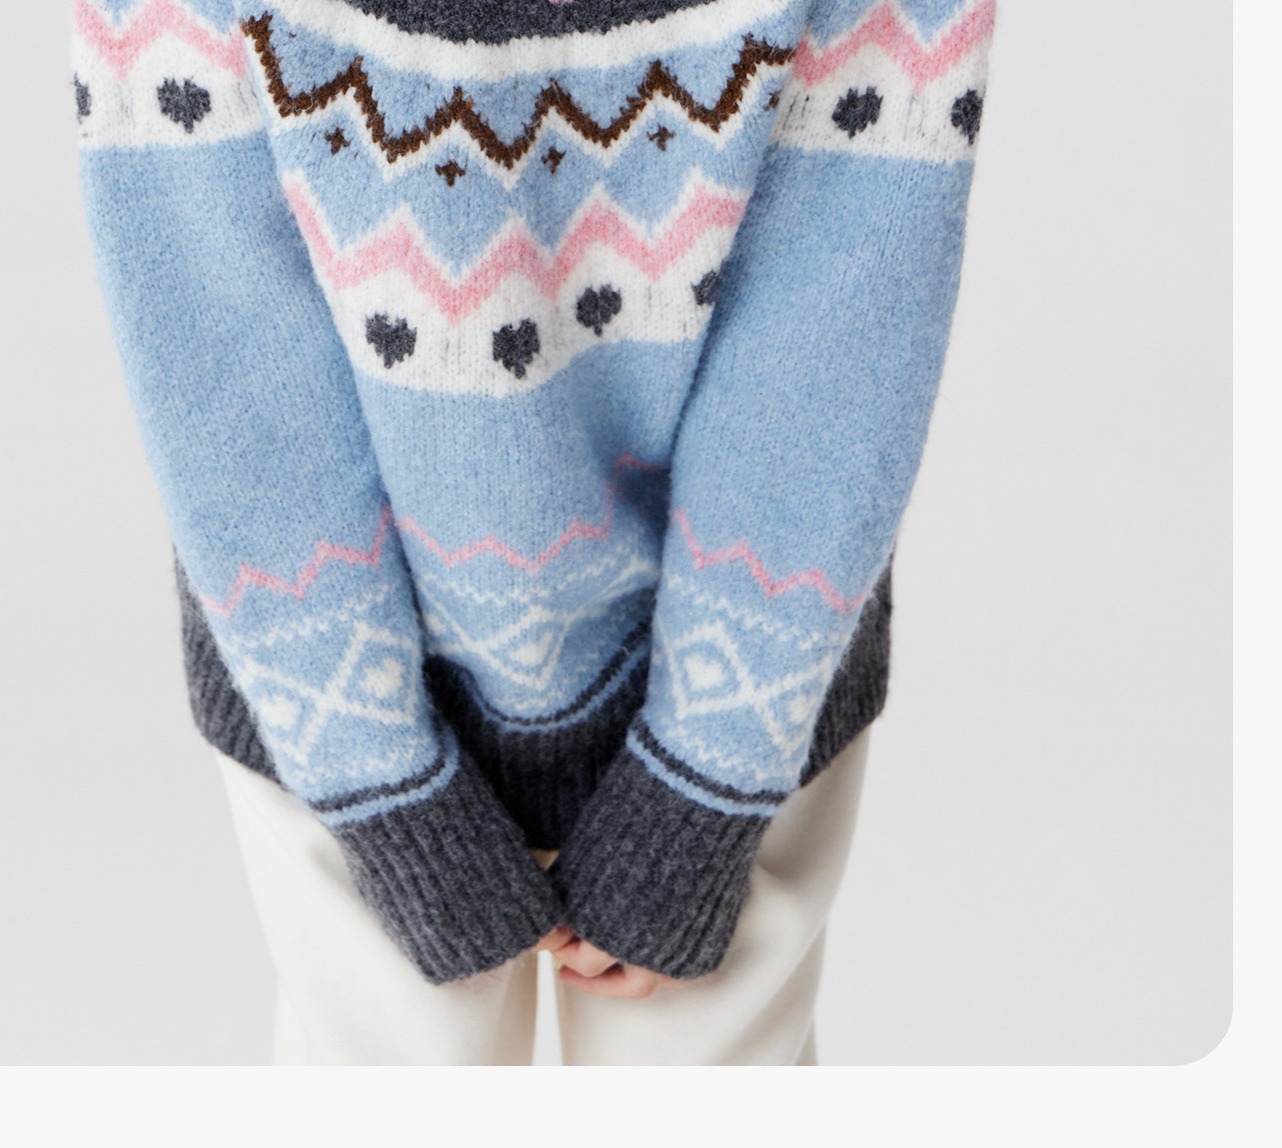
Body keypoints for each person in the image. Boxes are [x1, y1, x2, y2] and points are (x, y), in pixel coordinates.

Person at [74, 0, 993, 1064]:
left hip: (733, 676)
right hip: (350, 676)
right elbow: (215, 338)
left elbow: (848, 306)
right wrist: (375, 783)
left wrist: (708, 781)